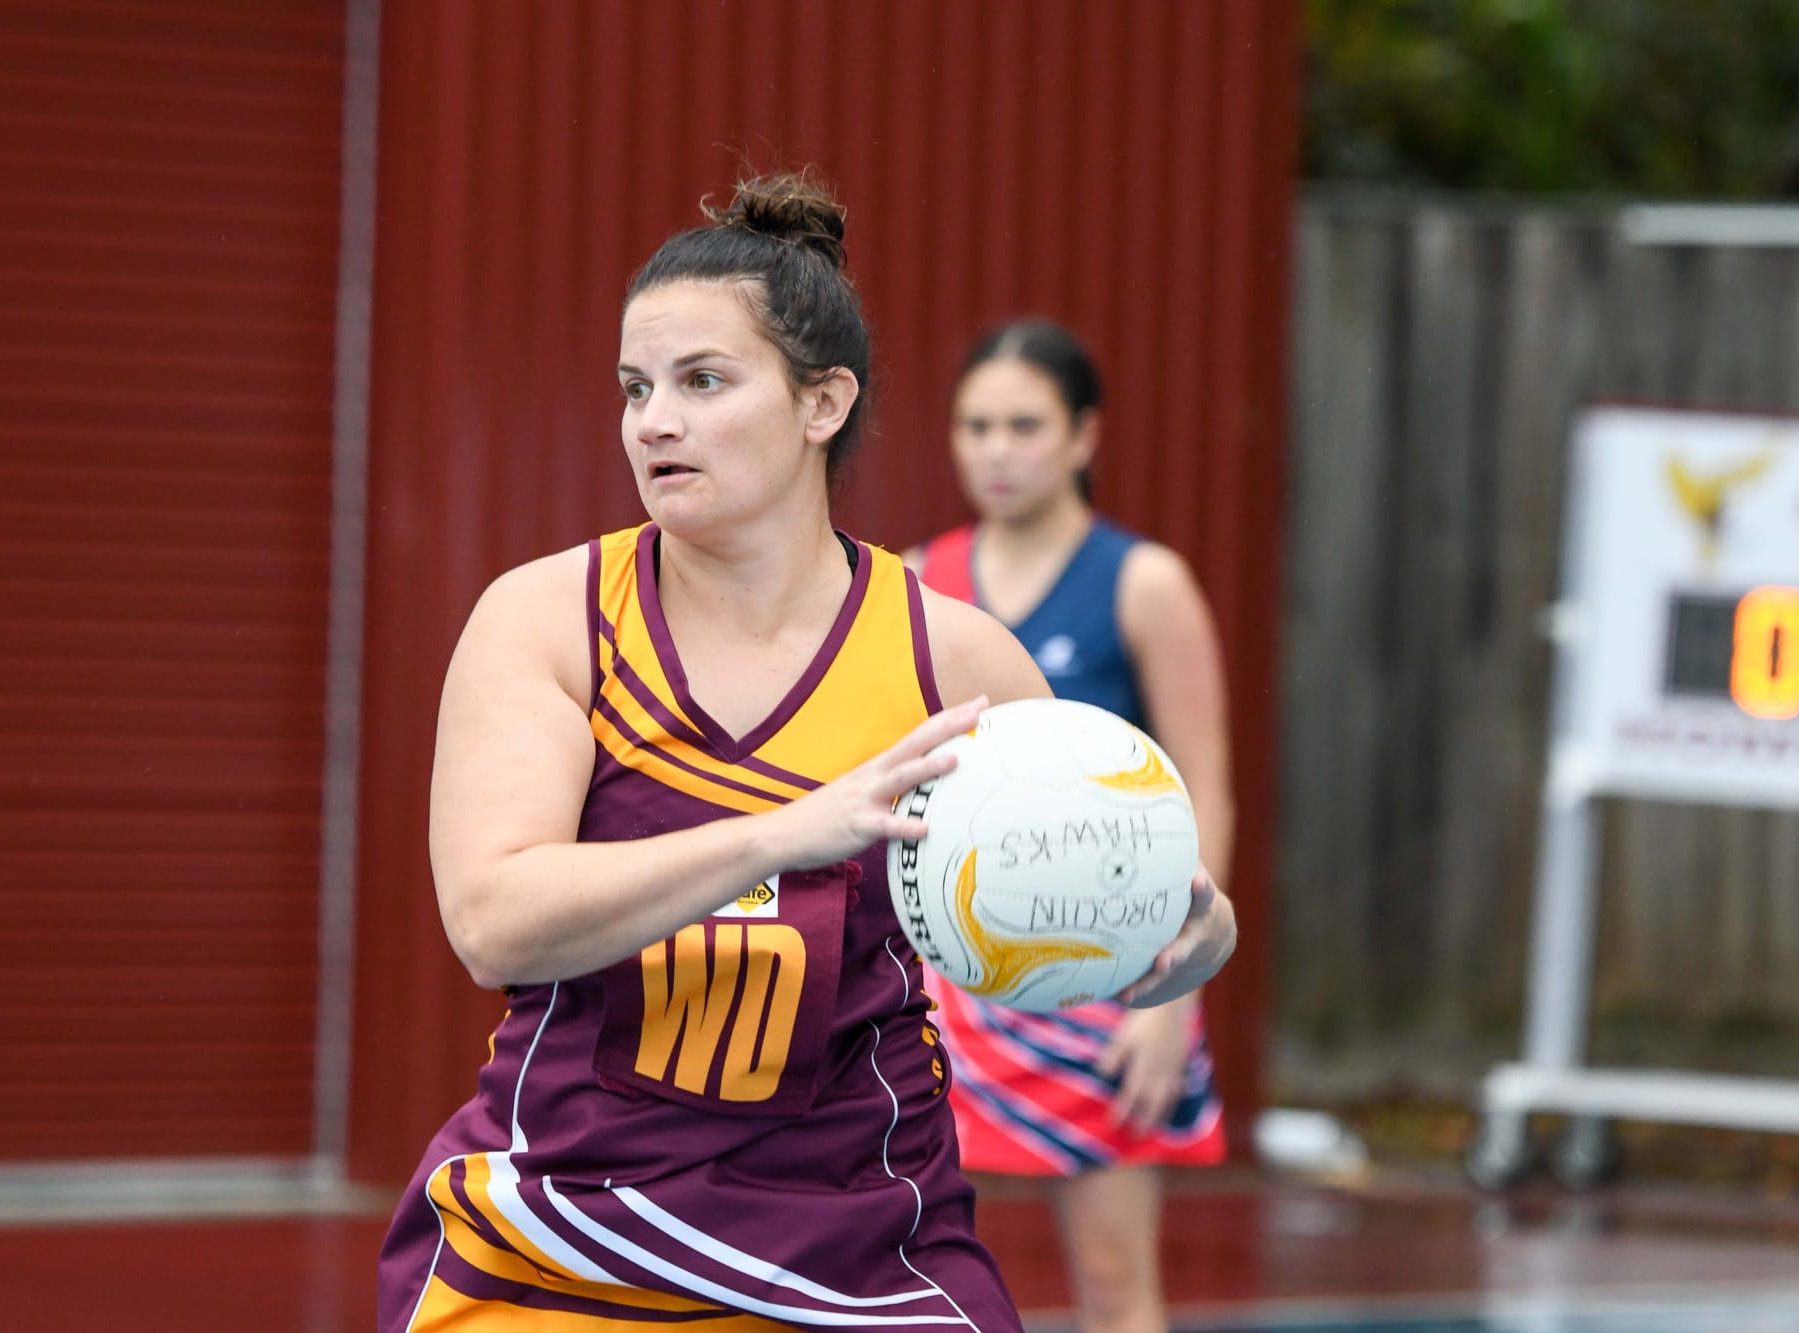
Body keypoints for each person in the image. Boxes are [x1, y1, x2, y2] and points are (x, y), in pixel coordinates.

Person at [376, 178, 1238, 1332]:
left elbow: (1078, 924)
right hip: (567, 1226)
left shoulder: (954, 659)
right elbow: (493, 919)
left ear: (821, 402)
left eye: (701, 381)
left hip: (861, 1237)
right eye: (635, 387)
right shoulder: (546, 620)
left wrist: (1172, 946)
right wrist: (787, 834)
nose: (652, 421)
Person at [908, 321, 1235, 1333]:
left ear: (1083, 435)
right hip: (948, 979)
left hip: (1105, 971)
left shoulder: (1144, 583)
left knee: (1111, 1281)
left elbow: (1205, 790)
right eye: (975, 426)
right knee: (902, 1266)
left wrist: (1169, 1000)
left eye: (1024, 425)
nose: (996, 450)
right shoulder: (915, 579)